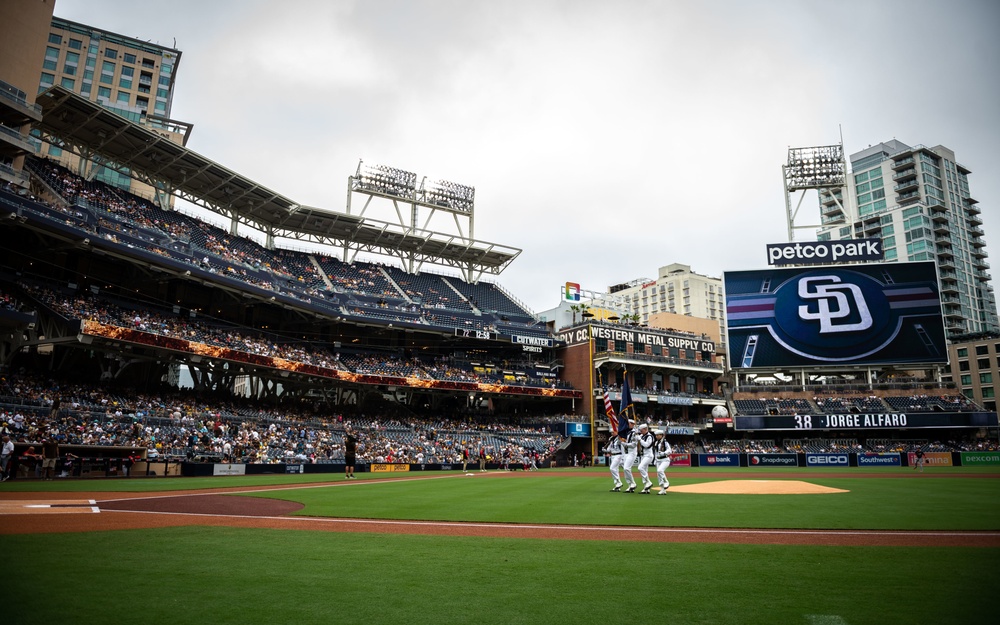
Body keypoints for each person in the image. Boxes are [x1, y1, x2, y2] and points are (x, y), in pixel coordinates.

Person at [635, 423, 655, 494]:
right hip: (643, 455)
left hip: (648, 455)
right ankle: (646, 488)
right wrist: (636, 435)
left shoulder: (650, 436)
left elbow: (647, 445)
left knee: (640, 468)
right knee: (645, 471)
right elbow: (636, 438)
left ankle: (649, 482)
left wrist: (640, 439)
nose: (640, 431)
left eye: (641, 430)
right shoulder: (642, 435)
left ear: (645, 429)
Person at [620, 421, 638, 493]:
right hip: (626, 452)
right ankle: (630, 485)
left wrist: (625, 444)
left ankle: (633, 483)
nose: (628, 425)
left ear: (633, 424)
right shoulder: (626, 432)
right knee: (625, 469)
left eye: (629, 423)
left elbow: (634, 444)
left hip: (632, 452)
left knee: (627, 468)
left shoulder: (634, 433)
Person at [653, 430, 672, 495]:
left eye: (658, 435)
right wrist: (655, 460)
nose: (656, 436)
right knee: (659, 476)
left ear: (661, 435)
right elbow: (655, 452)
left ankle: (666, 482)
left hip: (665, 459)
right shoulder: (656, 443)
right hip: (658, 460)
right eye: (656, 435)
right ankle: (662, 489)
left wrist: (663, 453)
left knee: (660, 470)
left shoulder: (665, 442)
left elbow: (669, 451)